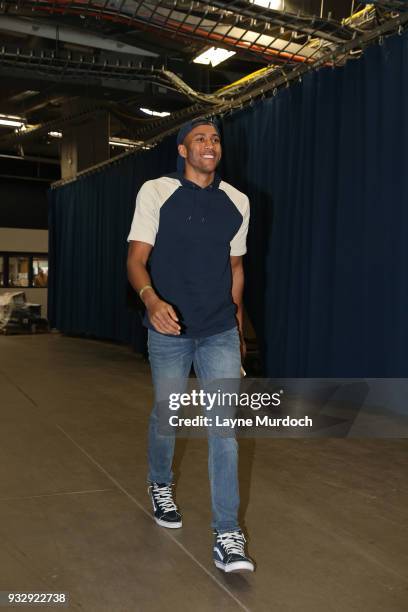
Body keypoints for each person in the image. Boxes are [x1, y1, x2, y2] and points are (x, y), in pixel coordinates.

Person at [127, 118, 254, 573]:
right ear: (183, 150)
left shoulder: (237, 202)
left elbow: (235, 268)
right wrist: (151, 299)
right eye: (199, 138)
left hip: (218, 327)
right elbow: (136, 259)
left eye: (215, 138)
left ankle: (227, 535)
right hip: (169, 329)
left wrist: (237, 329)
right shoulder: (155, 192)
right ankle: (159, 482)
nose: (209, 144)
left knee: (224, 429)